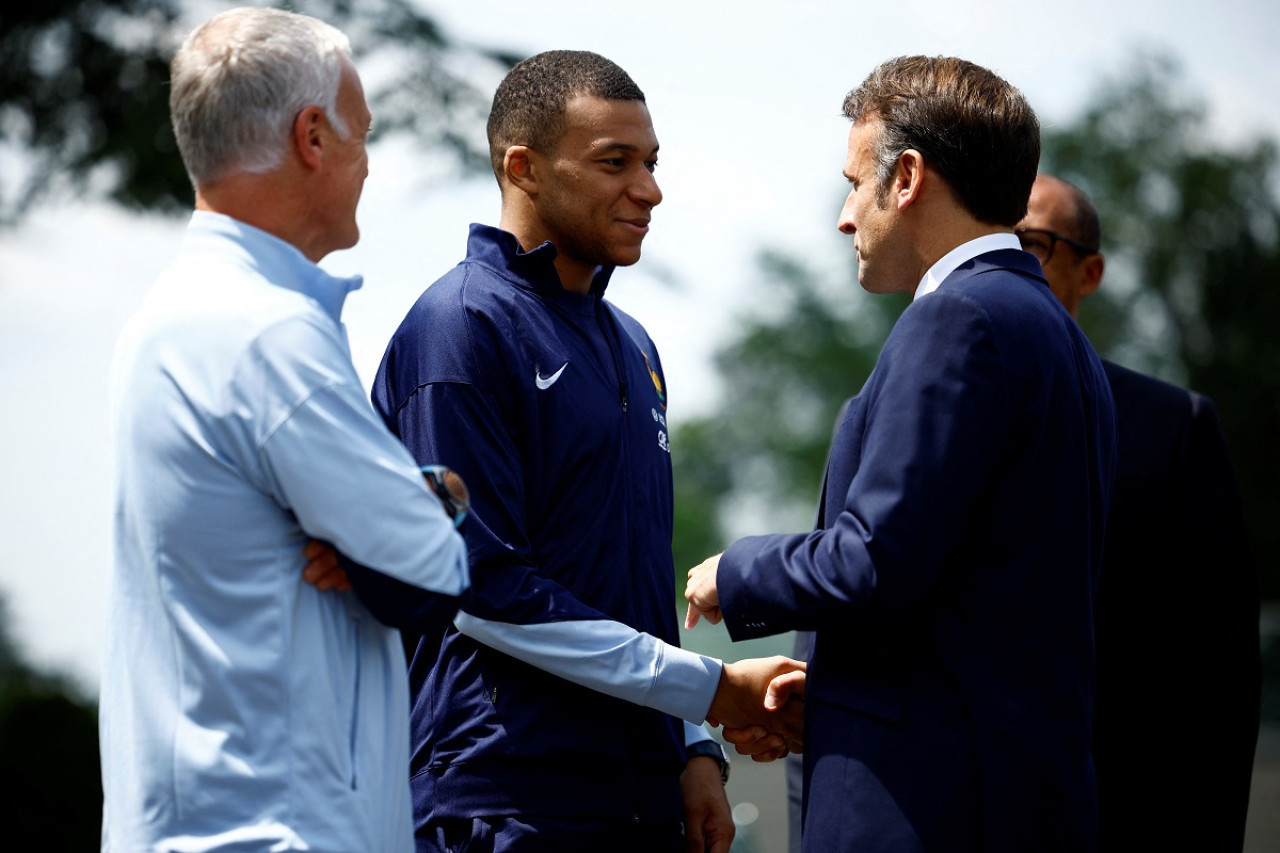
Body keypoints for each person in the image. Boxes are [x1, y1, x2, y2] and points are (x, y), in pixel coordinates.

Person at [371, 50, 802, 853]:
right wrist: (712, 690)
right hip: (506, 796)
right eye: (615, 163)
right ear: (524, 168)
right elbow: (482, 589)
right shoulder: (459, 327)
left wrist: (695, 747)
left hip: (637, 796)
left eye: (652, 162)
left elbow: (630, 576)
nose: (649, 189)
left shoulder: (630, 342)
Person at [685, 55, 1117, 851]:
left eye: (854, 183)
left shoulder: (957, 319)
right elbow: (974, 592)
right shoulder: (1061, 339)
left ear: (907, 177)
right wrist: (836, 689)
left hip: (926, 807)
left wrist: (734, 572)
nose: (846, 216)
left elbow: (874, 560)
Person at [101, 8, 471, 851]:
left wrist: (405, 508)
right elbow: (432, 564)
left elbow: (393, 539)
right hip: (285, 827)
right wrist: (439, 498)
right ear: (313, 136)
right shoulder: (270, 333)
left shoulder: (166, 319)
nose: (370, 165)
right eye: (363, 136)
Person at [1018, 174, 1260, 851]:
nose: (1006, 261)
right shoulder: (901, 416)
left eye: (1031, 242)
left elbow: (1222, 678)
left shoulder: (1173, 426)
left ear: (1089, 271)